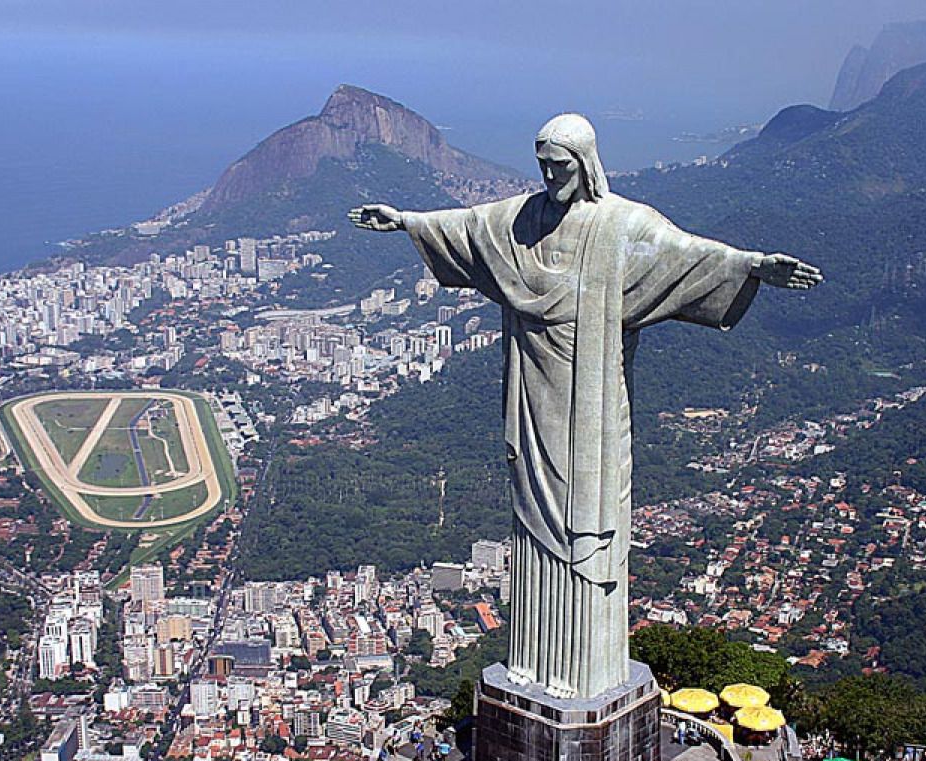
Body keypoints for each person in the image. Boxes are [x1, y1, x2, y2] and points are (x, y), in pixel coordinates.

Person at [350, 113, 821, 700]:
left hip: (590, 403)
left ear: (587, 162)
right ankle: (533, 666)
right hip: (531, 396)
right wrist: (405, 222)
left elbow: (686, 254)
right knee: (532, 523)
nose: (550, 176)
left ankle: (587, 671)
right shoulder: (521, 220)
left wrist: (751, 264)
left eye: (561, 166)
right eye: (543, 165)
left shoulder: (621, 225)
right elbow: (470, 228)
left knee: (588, 521)